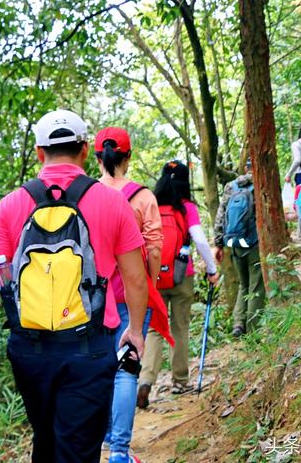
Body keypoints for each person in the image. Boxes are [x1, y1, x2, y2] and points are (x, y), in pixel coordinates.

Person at [0, 110, 148, 463]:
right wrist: (136, 330)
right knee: (78, 447)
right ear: (84, 150)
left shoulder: (11, 205)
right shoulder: (112, 202)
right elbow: (136, 278)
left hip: (29, 351)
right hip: (90, 347)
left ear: (39, 152)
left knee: (46, 437)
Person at [95, 126, 173, 463]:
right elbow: (154, 249)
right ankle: (119, 453)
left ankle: (102, 442)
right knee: (126, 369)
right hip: (129, 295)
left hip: (92, 299)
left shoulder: (86, 195)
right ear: (128, 156)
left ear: (97, 156)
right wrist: (149, 285)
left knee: (97, 370)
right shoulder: (143, 197)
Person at [137, 161, 219, 407]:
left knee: (154, 329)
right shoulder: (186, 208)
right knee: (179, 328)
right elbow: (200, 241)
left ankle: (145, 381)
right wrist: (212, 270)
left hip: (153, 277)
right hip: (183, 275)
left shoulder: (149, 203)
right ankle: (180, 380)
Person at [213, 159, 266, 338]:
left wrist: (218, 243)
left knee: (244, 285)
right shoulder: (261, 184)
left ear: (245, 169)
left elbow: (221, 216)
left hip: (235, 243)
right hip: (253, 242)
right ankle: (253, 329)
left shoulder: (231, 186)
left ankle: (238, 324)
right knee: (256, 286)